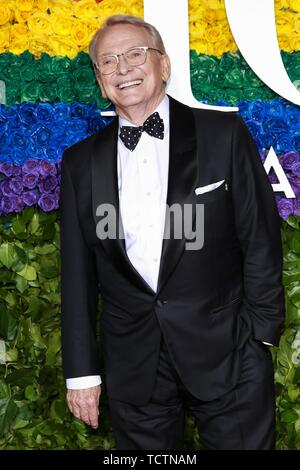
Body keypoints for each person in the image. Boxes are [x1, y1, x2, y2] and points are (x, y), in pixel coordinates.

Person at [59, 15, 285, 450]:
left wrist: (260, 335)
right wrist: (83, 373)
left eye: (135, 54)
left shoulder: (224, 135)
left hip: (229, 352)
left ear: (164, 65)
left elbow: (259, 238)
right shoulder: (79, 163)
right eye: (109, 61)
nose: (123, 68)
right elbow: (78, 276)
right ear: (100, 80)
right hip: (133, 366)